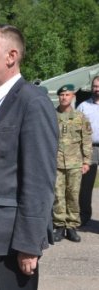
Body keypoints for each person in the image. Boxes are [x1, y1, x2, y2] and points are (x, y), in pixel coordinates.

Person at [0, 25, 58, 289]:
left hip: (11, 243)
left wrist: (29, 244)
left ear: (11, 56)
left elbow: (39, 180)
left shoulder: (32, 102)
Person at [53, 84, 92, 243]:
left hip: (75, 163)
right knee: (58, 195)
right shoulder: (52, 116)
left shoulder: (80, 117)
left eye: (67, 95)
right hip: (56, 163)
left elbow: (87, 140)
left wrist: (86, 161)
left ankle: (72, 227)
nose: (64, 98)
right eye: (61, 95)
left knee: (73, 195)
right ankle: (59, 226)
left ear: (73, 97)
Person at [76, 75, 99, 226]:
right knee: (86, 185)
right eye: (95, 86)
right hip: (90, 148)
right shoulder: (83, 106)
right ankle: (84, 215)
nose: (97, 89)